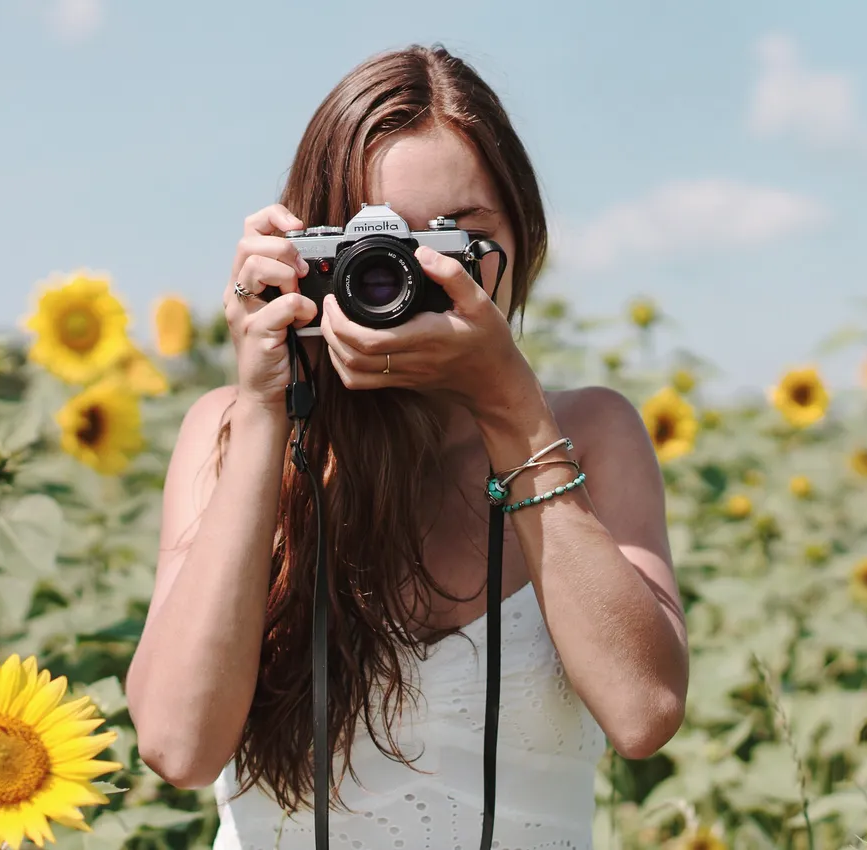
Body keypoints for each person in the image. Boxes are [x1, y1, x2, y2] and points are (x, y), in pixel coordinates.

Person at [125, 43, 689, 850]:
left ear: (522, 240)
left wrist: (511, 408)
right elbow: (178, 747)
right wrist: (262, 407)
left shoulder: (591, 432)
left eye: (455, 240)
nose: (408, 277)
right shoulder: (228, 430)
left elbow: (644, 714)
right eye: (373, 249)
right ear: (307, 256)